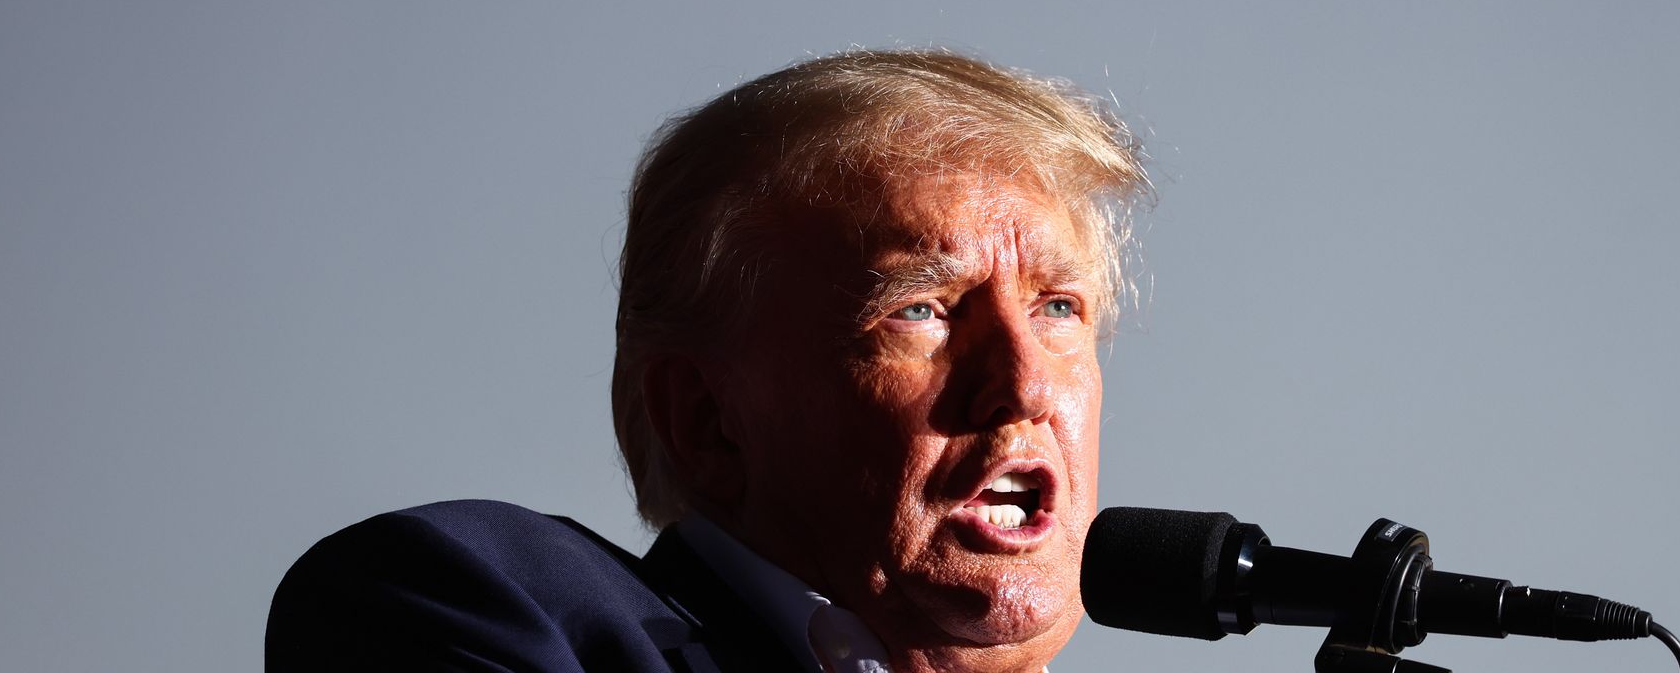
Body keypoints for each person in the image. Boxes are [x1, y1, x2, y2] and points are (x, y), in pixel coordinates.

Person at [267, 49, 1152, 672]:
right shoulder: (468, 604)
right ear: (705, 421)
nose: (1027, 384)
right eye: (919, 310)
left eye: (1058, 309)